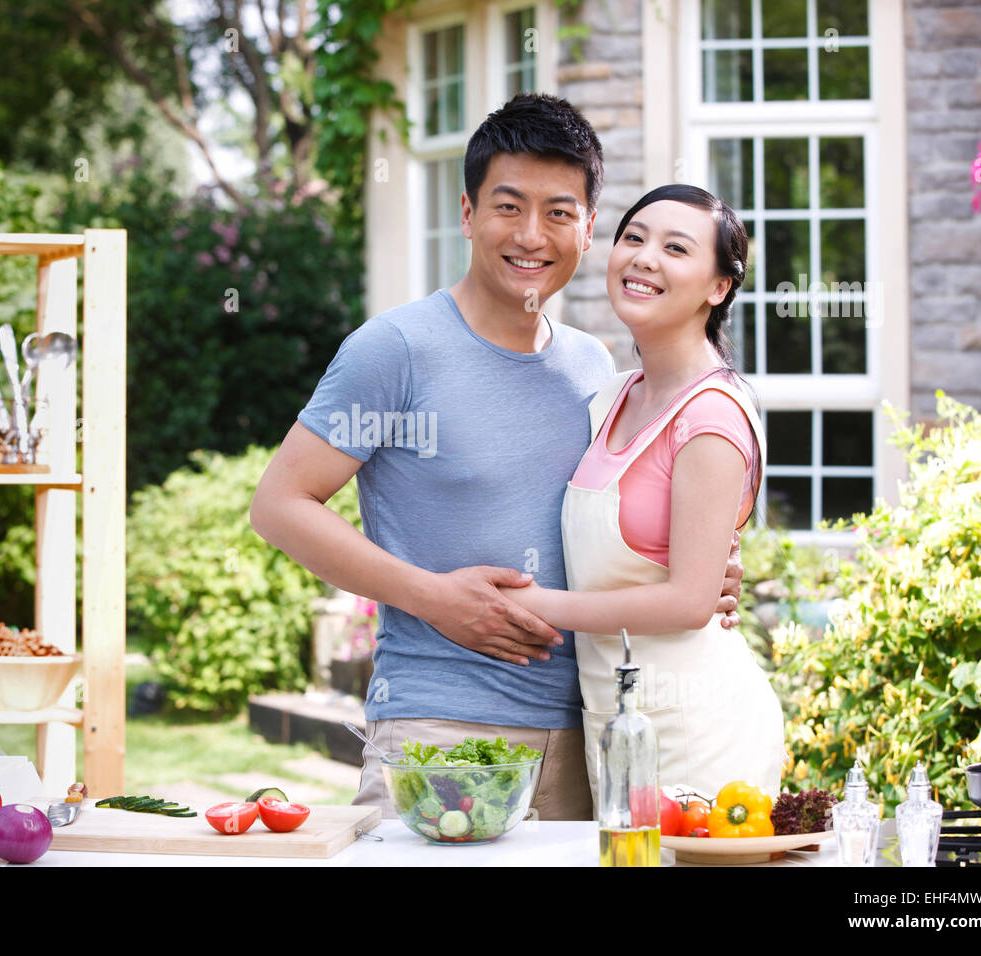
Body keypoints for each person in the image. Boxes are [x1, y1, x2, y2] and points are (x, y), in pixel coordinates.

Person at [249, 94, 743, 821]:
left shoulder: (592, 367)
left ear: (587, 228)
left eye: (559, 213)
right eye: (509, 207)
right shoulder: (396, 350)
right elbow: (280, 506)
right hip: (438, 729)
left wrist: (700, 573)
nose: (532, 236)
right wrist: (433, 598)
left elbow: (614, 523)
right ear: (468, 214)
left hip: (585, 738)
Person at [495, 184, 786, 802]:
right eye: (634, 238)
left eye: (676, 248)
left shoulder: (711, 415)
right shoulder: (613, 395)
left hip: (700, 726)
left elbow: (688, 601)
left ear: (718, 287)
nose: (645, 257)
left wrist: (538, 606)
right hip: (619, 723)